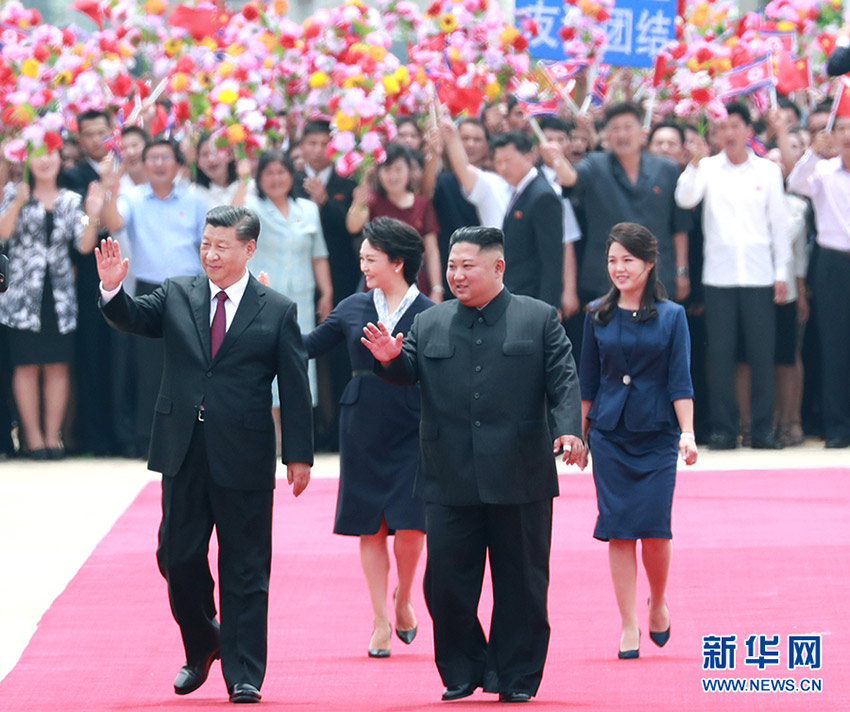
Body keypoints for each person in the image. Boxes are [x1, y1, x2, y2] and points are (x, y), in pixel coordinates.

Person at [95, 206, 314, 704]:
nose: (211, 255)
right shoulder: (178, 293)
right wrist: (112, 289)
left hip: (245, 453)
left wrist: (298, 454)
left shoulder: (276, 309)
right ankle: (204, 643)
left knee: (246, 567)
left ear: (248, 249)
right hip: (183, 450)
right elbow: (132, 318)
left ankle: (245, 673)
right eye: (205, 245)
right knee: (177, 555)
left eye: (222, 246)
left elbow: (295, 388)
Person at [361, 226, 585, 703]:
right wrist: (389, 361)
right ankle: (463, 669)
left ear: (498, 267)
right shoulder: (430, 322)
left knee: (521, 585)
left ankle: (517, 676)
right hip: (448, 474)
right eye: (452, 266)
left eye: (468, 266)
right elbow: (407, 371)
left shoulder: (539, 319)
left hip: (520, 473)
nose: (457, 275)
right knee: (445, 586)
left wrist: (569, 428)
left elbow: (564, 380)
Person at [303, 217, 432, 657]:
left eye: (370, 258)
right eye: (362, 257)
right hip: (363, 422)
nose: (363, 265)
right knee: (371, 525)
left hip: (414, 422)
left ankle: (403, 596)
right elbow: (307, 345)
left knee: (414, 522)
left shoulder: (431, 313)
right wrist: (265, 310)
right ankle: (380, 619)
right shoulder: (352, 307)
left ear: (398, 262)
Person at [579, 222, 698, 660]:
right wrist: (581, 435)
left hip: (658, 435)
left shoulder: (672, 316)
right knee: (618, 531)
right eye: (613, 260)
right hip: (610, 434)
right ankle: (628, 622)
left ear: (649, 263)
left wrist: (687, 433)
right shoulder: (596, 313)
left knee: (655, 529)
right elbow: (587, 381)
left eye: (628, 260)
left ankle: (658, 600)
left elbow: (680, 381)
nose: (619, 268)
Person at [675, 102, 792, 450]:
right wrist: (693, 164)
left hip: (759, 275)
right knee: (720, 357)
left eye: (735, 125)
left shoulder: (768, 171)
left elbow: (780, 226)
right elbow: (685, 198)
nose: (728, 133)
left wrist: (782, 271)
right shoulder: (707, 168)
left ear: (748, 130)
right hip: (718, 276)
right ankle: (724, 430)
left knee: (761, 355)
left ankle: (762, 430)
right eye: (721, 127)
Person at [0, 145, 104, 459]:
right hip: (21, 295)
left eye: (51, 153)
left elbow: (85, 246)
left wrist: (94, 214)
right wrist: (18, 201)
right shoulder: (12, 194)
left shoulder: (72, 200)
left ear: (60, 160)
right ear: (28, 160)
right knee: (26, 366)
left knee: (59, 366)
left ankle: (52, 437)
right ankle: (32, 440)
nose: (45, 160)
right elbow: (3, 234)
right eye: (38, 154)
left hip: (59, 295)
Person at [548, 102, 692, 305]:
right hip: (606, 281)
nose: (622, 134)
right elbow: (571, 178)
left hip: (658, 277)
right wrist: (557, 159)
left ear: (643, 133)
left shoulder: (667, 169)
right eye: (615, 129)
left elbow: (679, 227)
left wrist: (681, 271)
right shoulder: (595, 165)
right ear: (607, 135)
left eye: (628, 127)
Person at [247, 150, 333, 422]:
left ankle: (296, 438)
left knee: (298, 360)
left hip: (301, 298)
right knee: (264, 360)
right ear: (258, 178)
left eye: (281, 172)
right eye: (268, 173)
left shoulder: (307, 209)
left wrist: (327, 292)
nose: (275, 179)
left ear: (291, 175)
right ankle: (273, 438)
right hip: (263, 297)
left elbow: (318, 254)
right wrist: (241, 179)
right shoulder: (251, 207)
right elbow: (232, 215)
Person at [787, 116, 850, 448]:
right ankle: (838, 428)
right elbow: (796, 182)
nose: (849, 135)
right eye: (842, 129)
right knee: (835, 348)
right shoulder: (823, 172)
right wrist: (812, 152)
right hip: (833, 264)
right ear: (834, 136)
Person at [346, 143, 443, 302]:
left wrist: (437, 289)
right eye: (387, 170)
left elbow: (432, 251)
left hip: (415, 283)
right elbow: (353, 226)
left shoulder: (422, 204)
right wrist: (358, 202)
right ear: (378, 173)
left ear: (409, 171)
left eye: (398, 169)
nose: (393, 176)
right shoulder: (372, 201)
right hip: (378, 284)